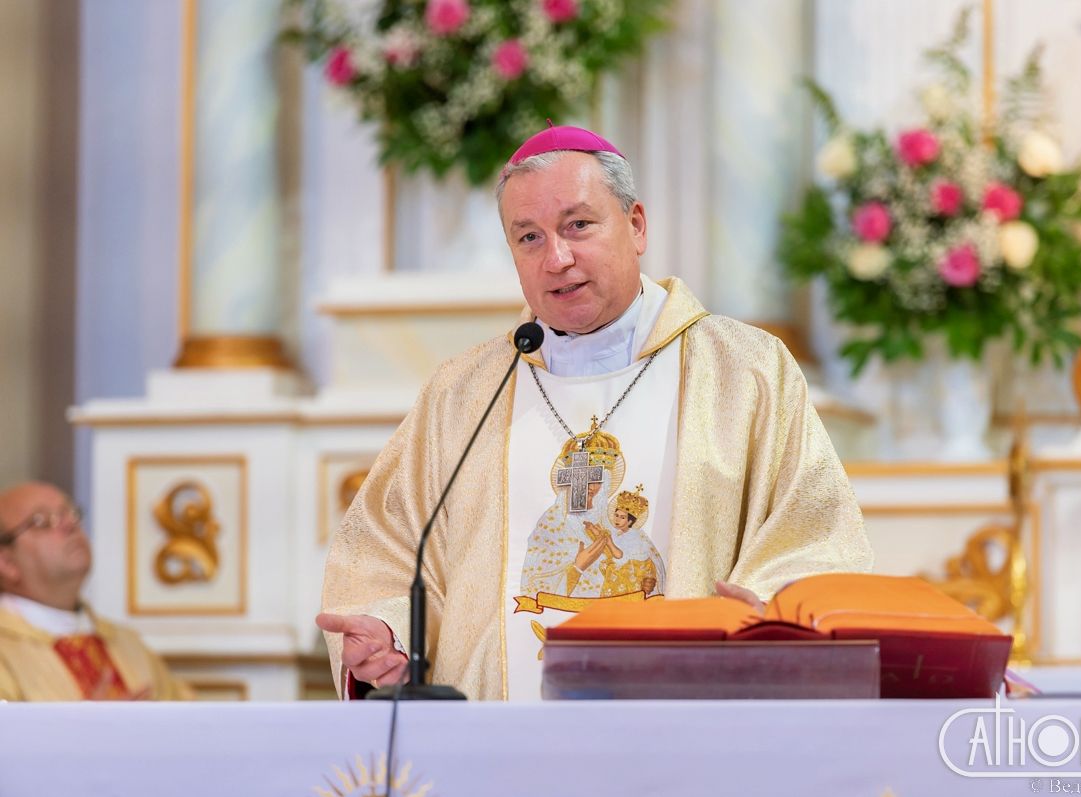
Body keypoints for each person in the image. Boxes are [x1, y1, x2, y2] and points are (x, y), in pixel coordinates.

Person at [319, 125, 873, 701]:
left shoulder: (745, 370)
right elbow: (387, 551)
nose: (557, 258)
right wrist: (389, 633)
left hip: (690, 727)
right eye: (529, 238)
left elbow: (814, 536)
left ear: (636, 225)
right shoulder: (463, 393)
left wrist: (770, 618)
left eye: (578, 225)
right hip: (498, 741)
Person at [0, 481, 192, 701]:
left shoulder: (127, 644)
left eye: (70, 513)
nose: (70, 524)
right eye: (42, 522)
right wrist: (88, 720)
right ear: (6, 562)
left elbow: (190, 717)